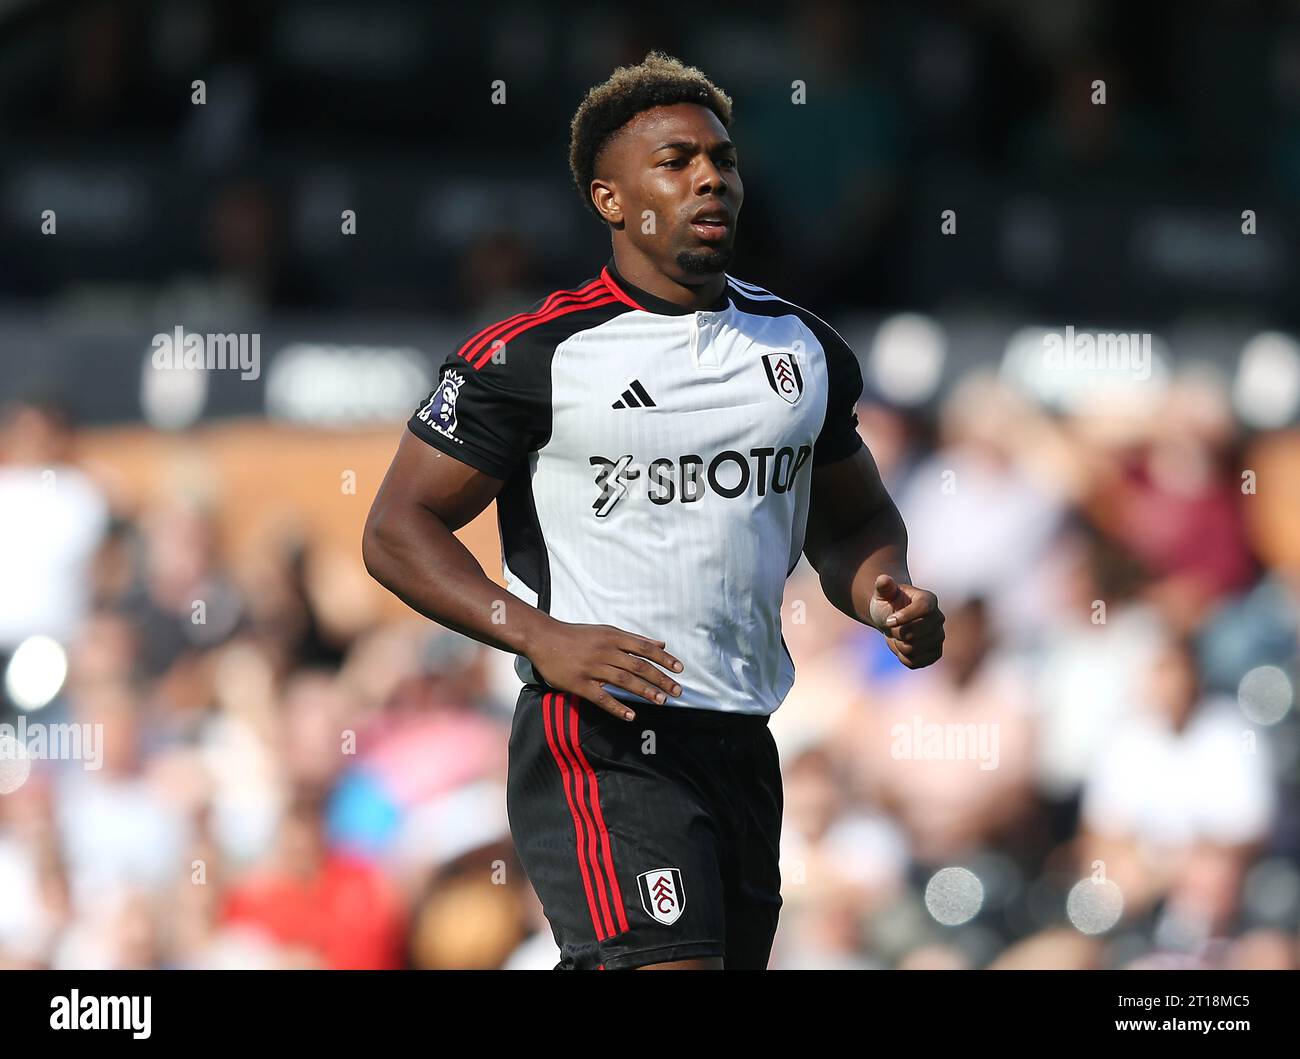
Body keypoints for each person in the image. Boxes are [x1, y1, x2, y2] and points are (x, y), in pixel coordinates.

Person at [362, 51, 944, 970]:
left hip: (744, 740)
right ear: (609, 199)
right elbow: (397, 528)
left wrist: (884, 596)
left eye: (723, 158)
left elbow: (853, 521)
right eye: (675, 161)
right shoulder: (531, 355)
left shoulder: (801, 351)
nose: (710, 175)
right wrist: (538, 635)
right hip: (597, 733)